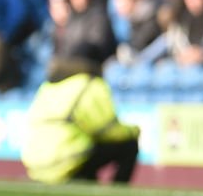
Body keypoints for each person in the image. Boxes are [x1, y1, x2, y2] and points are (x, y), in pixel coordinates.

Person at [21, 45, 140, 184]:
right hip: (67, 161)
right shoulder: (90, 84)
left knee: (88, 142)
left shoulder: (49, 86)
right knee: (129, 144)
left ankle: (87, 178)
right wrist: (133, 131)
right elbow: (107, 129)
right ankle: (117, 191)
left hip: (35, 164)